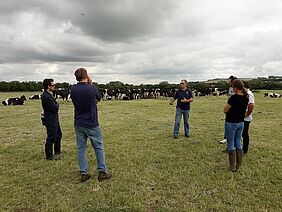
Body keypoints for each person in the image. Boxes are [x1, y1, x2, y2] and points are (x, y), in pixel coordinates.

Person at [70, 68, 111, 182]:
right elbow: (98, 98)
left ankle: (84, 172)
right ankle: (102, 171)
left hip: (78, 122)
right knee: (98, 147)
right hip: (92, 122)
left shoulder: (72, 89)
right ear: (86, 76)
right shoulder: (91, 88)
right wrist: (91, 83)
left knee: (81, 149)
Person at [223, 79, 249, 172]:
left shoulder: (233, 98)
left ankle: (232, 166)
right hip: (241, 123)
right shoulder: (246, 97)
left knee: (230, 143)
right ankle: (238, 165)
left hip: (231, 122)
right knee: (238, 142)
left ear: (235, 88)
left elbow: (225, 110)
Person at [41, 79, 62, 160]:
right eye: (52, 85)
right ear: (48, 86)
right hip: (50, 119)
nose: (54, 87)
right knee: (51, 137)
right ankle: (49, 156)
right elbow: (55, 108)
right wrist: (57, 104)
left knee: (58, 134)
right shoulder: (46, 96)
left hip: (54, 117)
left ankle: (57, 151)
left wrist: (56, 104)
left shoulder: (50, 94)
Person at [219, 75, 237, 144]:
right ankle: (226, 137)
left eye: (230, 81)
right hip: (229, 108)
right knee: (227, 123)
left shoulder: (238, 89)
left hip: (235, 109)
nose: (229, 82)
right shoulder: (230, 88)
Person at [242, 81, 255, 154]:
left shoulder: (249, 94)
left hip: (246, 118)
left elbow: (251, 105)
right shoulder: (245, 93)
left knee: (244, 133)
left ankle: (245, 150)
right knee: (242, 133)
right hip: (243, 117)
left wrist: (247, 114)